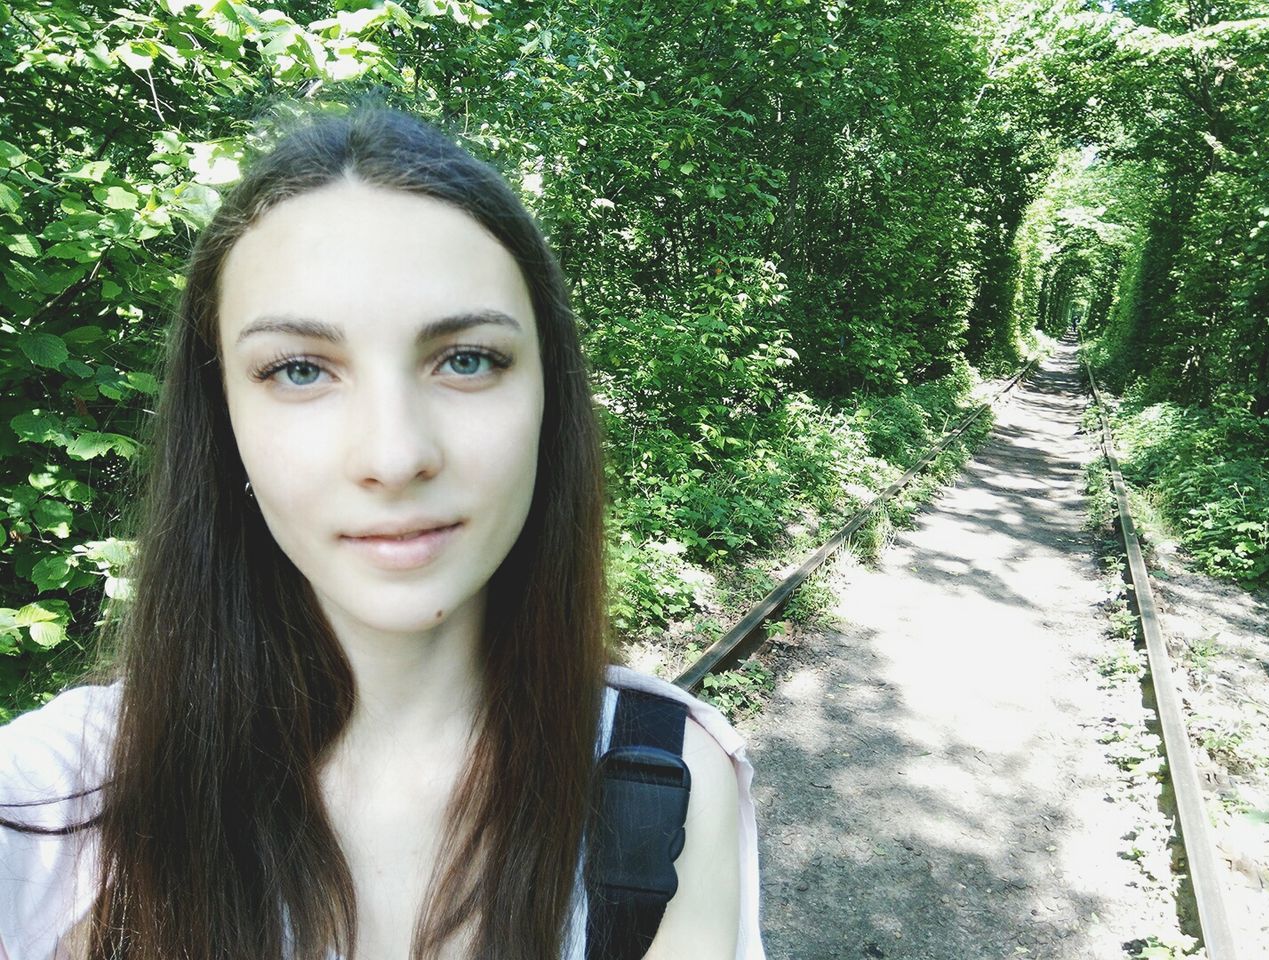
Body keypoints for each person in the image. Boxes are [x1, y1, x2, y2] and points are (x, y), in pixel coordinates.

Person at [0, 103, 763, 960]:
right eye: (298, 370)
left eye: (467, 359)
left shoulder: (664, 780)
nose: (395, 456)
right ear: (224, 424)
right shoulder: (47, 806)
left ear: (551, 402)